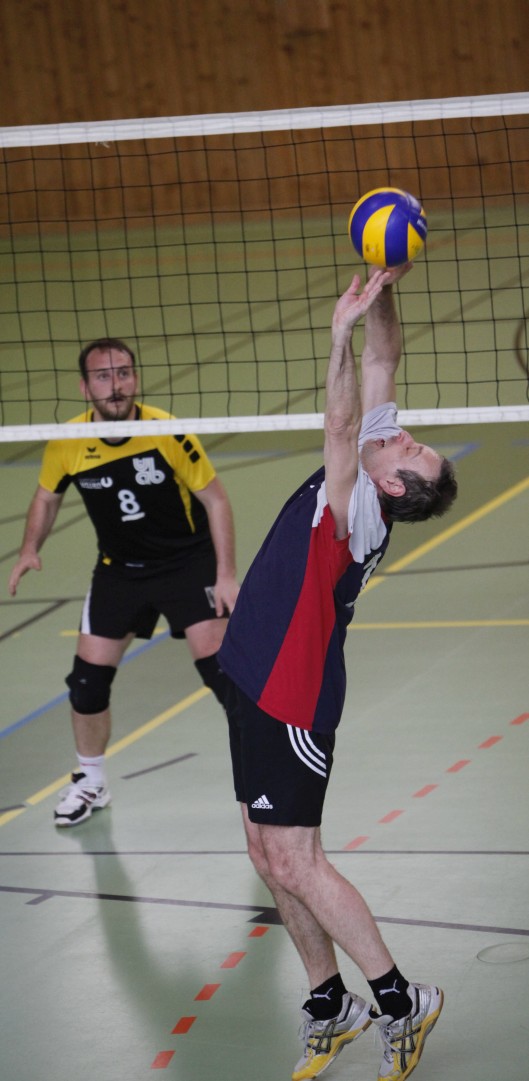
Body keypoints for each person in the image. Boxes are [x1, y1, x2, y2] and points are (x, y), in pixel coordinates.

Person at [217, 264, 457, 1081]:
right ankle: (329, 1003)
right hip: (250, 672)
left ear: (392, 484)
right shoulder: (377, 454)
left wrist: (335, 335)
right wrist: (382, 289)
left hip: (293, 694)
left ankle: (399, 999)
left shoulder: (359, 504)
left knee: (297, 859)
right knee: (264, 851)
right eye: (409, 437)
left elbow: (341, 413)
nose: (404, 433)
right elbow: (385, 360)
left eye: (411, 448)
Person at [9, 337, 238, 827]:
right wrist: (30, 548)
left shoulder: (166, 431)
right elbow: (47, 497)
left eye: (123, 373)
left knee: (222, 672)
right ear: (84, 387)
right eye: (103, 376)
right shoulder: (68, 441)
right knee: (86, 685)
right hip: (119, 570)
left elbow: (216, 500)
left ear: (135, 377)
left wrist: (225, 576)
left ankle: (263, 764)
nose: (115, 385)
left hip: (186, 563)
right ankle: (91, 781)